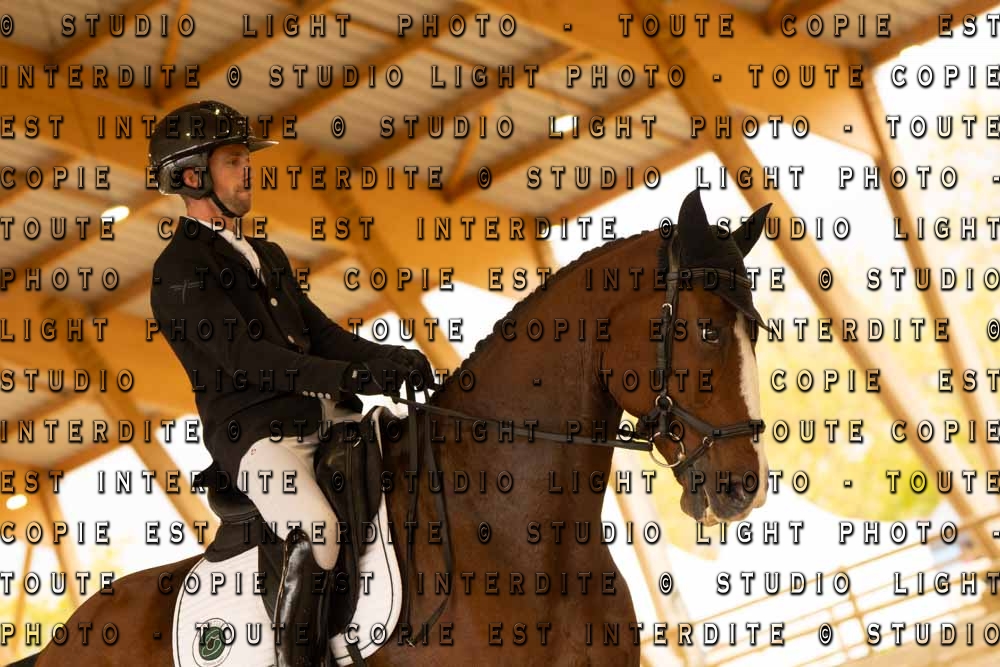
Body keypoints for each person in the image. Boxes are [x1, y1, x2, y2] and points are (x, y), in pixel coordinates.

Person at [147, 100, 432, 667]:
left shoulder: (267, 255)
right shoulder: (177, 270)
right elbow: (246, 359)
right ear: (192, 177)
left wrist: (387, 358)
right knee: (317, 530)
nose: (248, 170)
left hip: (327, 420)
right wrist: (349, 375)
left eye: (246, 159)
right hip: (258, 439)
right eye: (233, 161)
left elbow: (321, 335)